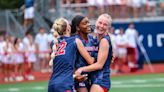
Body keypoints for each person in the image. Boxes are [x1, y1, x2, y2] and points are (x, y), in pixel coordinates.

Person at [48, 18, 94, 92]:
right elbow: (90, 61)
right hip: (65, 84)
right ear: (68, 28)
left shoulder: (53, 43)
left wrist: (74, 76)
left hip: (52, 84)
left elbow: (61, 67)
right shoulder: (75, 41)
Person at [75, 14, 113, 92]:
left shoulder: (104, 41)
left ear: (108, 27)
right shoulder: (95, 39)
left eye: (105, 24)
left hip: (101, 80)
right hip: (93, 79)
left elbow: (99, 65)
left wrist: (81, 69)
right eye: (100, 22)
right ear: (96, 23)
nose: (101, 26)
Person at [71, 15, 94, 92]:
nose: (88, 25)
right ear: (77, 27)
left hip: (93, 75)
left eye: (88, 22)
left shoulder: (92, 39)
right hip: (80, 77)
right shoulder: (75, 40)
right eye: (84, 23)